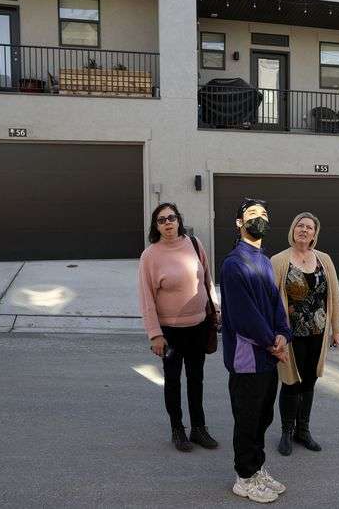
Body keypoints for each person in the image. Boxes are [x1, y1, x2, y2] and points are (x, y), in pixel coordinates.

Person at [220, 198, 292, 503]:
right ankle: (245, 477)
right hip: (248, 359)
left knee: (263, 417)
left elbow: (276, 303)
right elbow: (242, 315)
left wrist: (283, 333)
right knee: (248, 418)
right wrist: (270, 343)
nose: (258, 218)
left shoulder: (264, 260)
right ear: (239, 223)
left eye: (263, 214)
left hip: (267, 354)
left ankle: (258, 467)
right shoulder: (234, 263)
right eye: (252, 214)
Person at [138, 202, 219, 453]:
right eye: (161, 220)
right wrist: (155, 334)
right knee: (173, 381)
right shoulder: (150, 255)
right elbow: (146, 298)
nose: (168, 223)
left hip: (198, 325)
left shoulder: (194, 244)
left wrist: (215, 309)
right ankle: (177, 430)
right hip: (170, 332)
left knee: (197, 379)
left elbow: (207, 278)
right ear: (156, 226)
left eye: (171, 217)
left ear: (179, 220)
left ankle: (198, 428)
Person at [270, 212, 339, 456]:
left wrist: (337, 329)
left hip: (317, 334)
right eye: (300, 226)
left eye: (309, 227)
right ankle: (286, 432)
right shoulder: (279, 260)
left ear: (315, 233)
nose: (304, 230)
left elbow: (334, 295)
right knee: (291, 383)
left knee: (310, 381)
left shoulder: (324, 260)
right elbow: (271, 300)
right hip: (290, 336)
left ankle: (303, 430)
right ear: (293, 230)